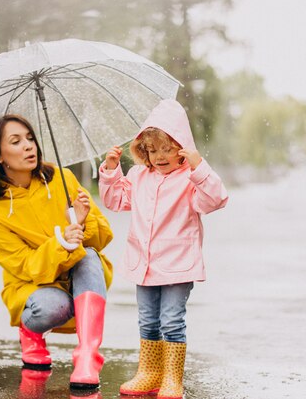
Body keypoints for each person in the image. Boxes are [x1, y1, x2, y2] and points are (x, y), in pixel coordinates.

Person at [0, 114, 114, 391]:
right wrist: (63, 244)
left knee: (91, 256)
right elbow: (25, 266)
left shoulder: (63, 178)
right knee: (54, 306)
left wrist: (81, 223)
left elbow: (103, 237)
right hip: (34, 287)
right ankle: (30, 331)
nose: (28, 146)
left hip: (79, 277)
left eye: (30, 138)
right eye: (16, 141)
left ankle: (87, 358)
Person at [98, 99, 228, 399]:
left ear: (182, 147)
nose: (159, 156)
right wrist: (111, 170)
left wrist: (198, 166)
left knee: (171, 320)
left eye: (167, 148)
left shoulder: (189, 180)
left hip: (178, 265)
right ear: (143, 151)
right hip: (144, 264)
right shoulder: (139, 177)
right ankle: (149, 372)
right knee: (148, 320)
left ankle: (172, 377)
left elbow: (216, 198)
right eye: (152, 150)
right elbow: (116, 199)